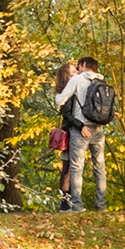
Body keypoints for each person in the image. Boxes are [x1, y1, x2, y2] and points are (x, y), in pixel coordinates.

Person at [55, 55, 111, 212]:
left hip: (81, 129)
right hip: (99, 129)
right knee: (100, 167)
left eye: (79, 66)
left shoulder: (77, 80)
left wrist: (57, 95)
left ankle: (77, 205)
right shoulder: (102, 81)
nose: (78, 70)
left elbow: (60, 101)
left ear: (84, 64)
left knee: (76, 168)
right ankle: (101, 206)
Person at [49, 63, 74, 206]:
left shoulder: (65, 91)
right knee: (68, 168)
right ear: (67, 76)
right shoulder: (67, 93)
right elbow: (67, 114)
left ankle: (66, 201)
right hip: (70, 132)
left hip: (69, 130)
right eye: (73, 72)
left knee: (68, 167)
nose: (77, 73)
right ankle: (65, 202)